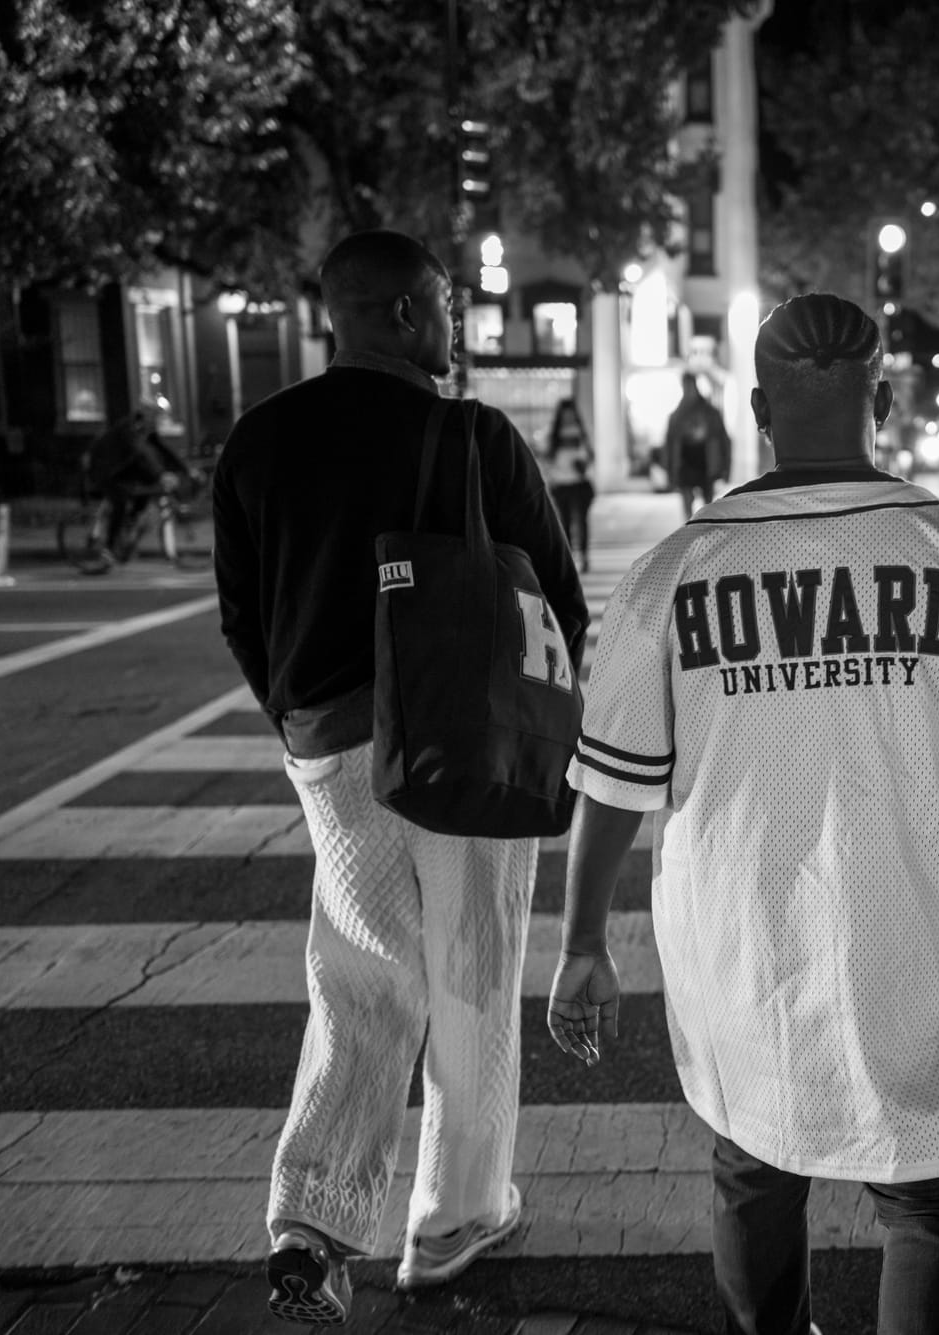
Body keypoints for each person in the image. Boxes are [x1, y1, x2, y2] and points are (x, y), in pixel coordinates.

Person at [548, 293, 939, 1335]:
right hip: (923, 940)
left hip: (739, 943)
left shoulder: (670, 575)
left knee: (753, 1167)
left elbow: (609, 784)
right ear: (880, 400)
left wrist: (581, 943)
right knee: (934, 1199)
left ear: (755, 408)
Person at [212, 229, 588, 1326]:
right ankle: (450, 1220)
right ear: (402, 315)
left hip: (329, 741)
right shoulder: (470, 437)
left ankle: (312, 1221)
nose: (455, 326)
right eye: (444, 305)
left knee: (359, 973)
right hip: (461, 738)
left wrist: (297, 720)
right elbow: (556, 606)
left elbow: (243, 612)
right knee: (472, 969)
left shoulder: (258, 440)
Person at [83, 406, 198, 555]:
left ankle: (131, 520)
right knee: (120, 502)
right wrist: (161, 474)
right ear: (144, 419)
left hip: (121, 470)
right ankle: (108, 548)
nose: (157, 424)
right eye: (155, 420)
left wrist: (187, 470)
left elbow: (164, 450)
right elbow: (141, 453)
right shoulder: (128, 429)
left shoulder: (146, 430)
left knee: (148, 487)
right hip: (104, 470)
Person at [664, 370, 731, 518]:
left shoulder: (709, 413)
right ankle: (690, 529)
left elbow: (723, 440)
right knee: (688, 502)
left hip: (705, 463)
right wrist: (670, 471)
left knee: (707, 504)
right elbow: (670, 445)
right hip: (686, 464)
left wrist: (726, 467)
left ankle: (703, 528)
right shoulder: (677, 415)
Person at [544, 397, 595, 572]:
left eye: (570, 415)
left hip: (578, 484)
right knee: (565, 522)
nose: (568, 418)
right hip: (561, 484)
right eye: (565, 415)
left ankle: (584, 556)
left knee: (581, 521)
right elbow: (549, 460)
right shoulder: (555, 436)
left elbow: (589, 457)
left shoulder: (580, 433)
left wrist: (582, 463)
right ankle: (569, 558)